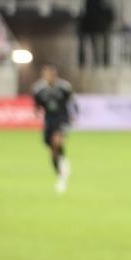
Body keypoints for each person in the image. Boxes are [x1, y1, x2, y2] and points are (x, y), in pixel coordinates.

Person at [33, 64, 77, 193]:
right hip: (49, 121)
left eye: (51, 74)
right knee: (52, 150)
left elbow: (72, 101)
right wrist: (36, 111)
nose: (49, 76)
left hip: (62, 118)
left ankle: (63, 164)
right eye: (47, 74)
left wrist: (75, 114)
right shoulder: (39, 89)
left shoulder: (64, 87)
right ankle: (60, 173)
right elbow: (37, 104)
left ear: (55, 75)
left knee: (57, 141)